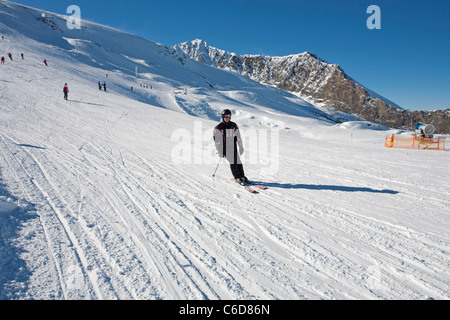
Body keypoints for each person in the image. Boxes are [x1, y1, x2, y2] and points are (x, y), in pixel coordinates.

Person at [213, 109, 248, 184]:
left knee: (238, 161)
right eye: (225, 116)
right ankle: (237, 177)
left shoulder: (234, 125)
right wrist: (220, 150)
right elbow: (217, 141)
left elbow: (238, 137)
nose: (227, 118)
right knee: (233, 162)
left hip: (233, 147)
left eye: (228, 116)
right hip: (225, 148)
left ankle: (242, 176)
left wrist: (241, 147)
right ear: (222, 117)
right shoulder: (219, 127)